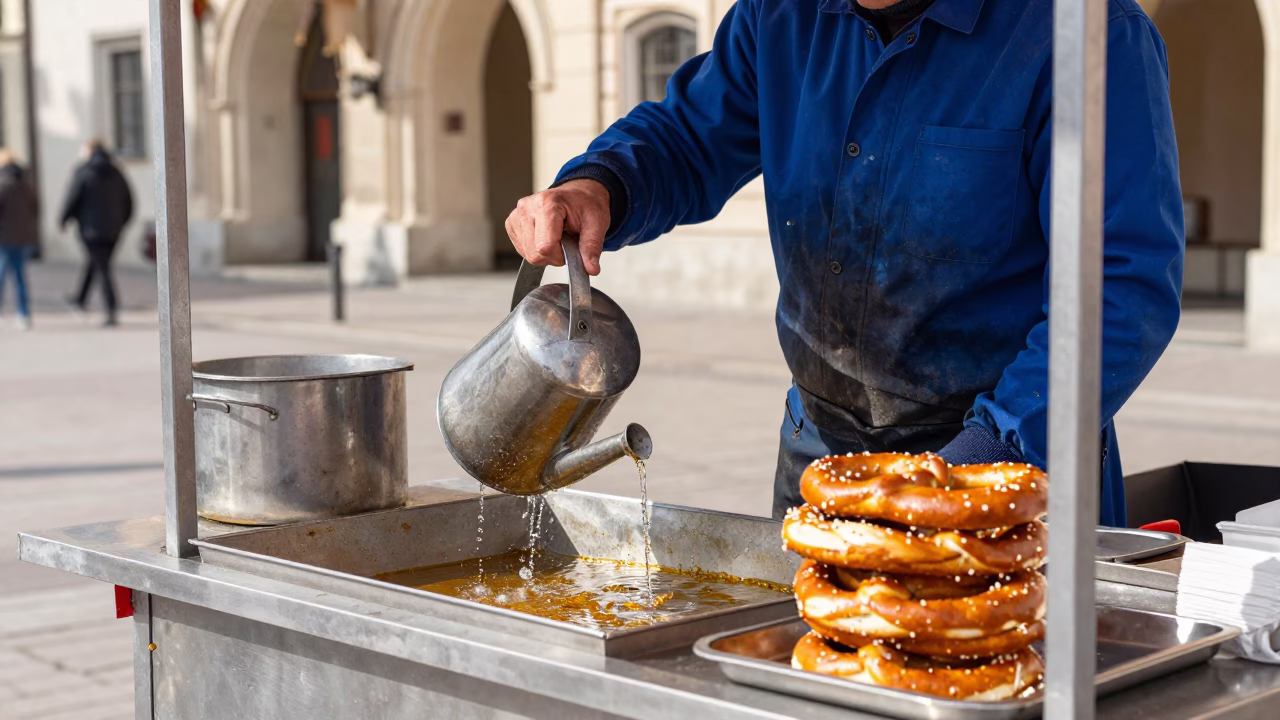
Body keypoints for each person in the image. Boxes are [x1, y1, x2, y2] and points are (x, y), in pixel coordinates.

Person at [503, 0, 1185, 526]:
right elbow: (686, 139)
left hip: (1009, 459)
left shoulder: (1086, 34)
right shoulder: (780, 16)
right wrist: (599, 185)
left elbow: (1120, 284)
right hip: (820, 448)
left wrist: (991, 450)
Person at [60, 139, 134, 327]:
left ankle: (111, 308)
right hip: (114, 231)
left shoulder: (84, 172)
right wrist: (121, 223)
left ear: (90, 151)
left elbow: (72, 198)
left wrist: (64, 219)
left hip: (91, 231)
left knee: (102, 268)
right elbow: (130, 202)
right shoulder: (117, 172)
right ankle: (80, 299)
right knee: (97, 263)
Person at [0, 149, 39, 330]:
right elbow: (35, 210)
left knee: (1, 276)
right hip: (23, 237)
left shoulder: (2, 184)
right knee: (20, 277)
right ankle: (23, 313)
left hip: (4, 237)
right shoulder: (27, 185)